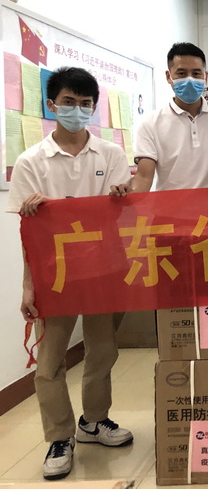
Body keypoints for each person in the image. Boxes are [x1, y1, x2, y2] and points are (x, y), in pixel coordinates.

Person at [7, 67, 134, 481]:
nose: (76, 109)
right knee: (49, 362)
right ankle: (59, 436)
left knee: (103, 351)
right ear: (51, 104)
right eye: (68, 102)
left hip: (103, 270)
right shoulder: (31, 161)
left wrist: (122, 199)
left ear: (93, 108)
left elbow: (121, 217)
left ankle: (94, 422)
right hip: (54, 275)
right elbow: (29, 235)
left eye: (84, 103)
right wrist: (28, 286)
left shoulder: (111, 155)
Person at [110, 42, 208, 195]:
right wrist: (128, 192)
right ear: (168, 76)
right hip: (170, 208)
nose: (190, 79)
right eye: (182, 73)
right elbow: (144, 177)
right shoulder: (150, 123)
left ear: (205, 77)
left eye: (196, 73)